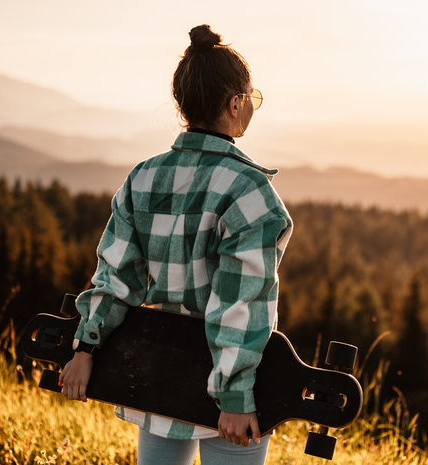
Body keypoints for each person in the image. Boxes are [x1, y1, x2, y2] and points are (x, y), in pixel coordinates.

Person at [59, 24, 293, 465]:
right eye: (252, 98)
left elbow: (114, 277)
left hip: (158, 379)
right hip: (229, 400)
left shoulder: (143, 177)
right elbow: (240, 301)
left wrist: (85, 348)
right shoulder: (250, 192)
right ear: (235, 103)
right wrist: (235, 393)